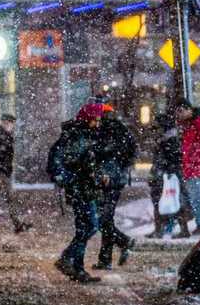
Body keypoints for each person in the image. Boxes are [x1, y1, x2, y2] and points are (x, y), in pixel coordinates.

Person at [49, 102, 106, 284]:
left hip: (83, 188)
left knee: (85, 227)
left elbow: (85, 163)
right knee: (89, 226)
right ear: (87, 119)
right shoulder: (76, 136)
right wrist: (70, 179)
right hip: (80, 189)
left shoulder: (82, 134)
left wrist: (97, 176)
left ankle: (75, 266)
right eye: (95, 120)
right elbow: (67, 163)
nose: (98, 124)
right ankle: (70, 261)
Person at [93, 109, 137, 270]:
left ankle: (124, 242)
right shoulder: (122, 131)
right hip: (116, 180)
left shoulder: (107, 134)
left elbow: (105, 156)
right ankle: (105, 259)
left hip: (108, 181)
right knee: (106, 219)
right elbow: (131, 155)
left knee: (102, 220)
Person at [146, 115, 190, 238]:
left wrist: (165, 172)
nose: (155, 130)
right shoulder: (167, 139)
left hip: (167, 176)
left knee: (167, 201)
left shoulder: (170, 140)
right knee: (171, 201)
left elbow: (173, 159)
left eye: (157, 127)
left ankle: (162, 230)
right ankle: (162, 229)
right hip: (165, 175)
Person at [177, 100, 200, 235]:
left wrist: (194, 156)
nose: (179, 115)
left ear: (189, 110)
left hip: (196, 168)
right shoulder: (188, 125)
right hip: (191, 168)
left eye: (181, 111)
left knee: (195, 198)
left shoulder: (197, 123)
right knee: (193, 198)